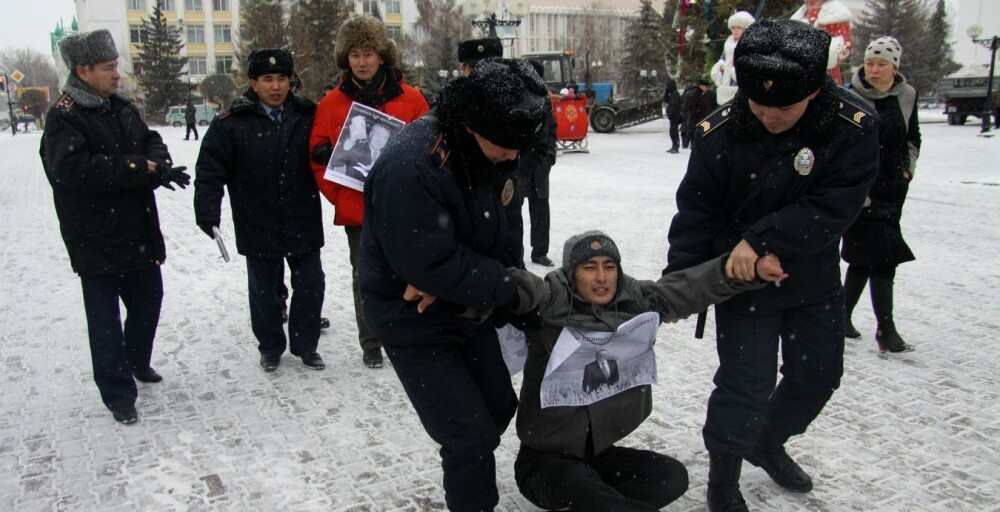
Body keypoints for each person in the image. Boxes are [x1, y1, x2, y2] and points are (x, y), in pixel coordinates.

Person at [664, 20, 879, 511]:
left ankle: (768, 440)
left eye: (783, 106)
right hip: (741, 284)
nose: (768, 115)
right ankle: (724, 477)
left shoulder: (852, 127)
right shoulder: (718, 132)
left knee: (817, 376)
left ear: (814, 91)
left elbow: (837, 204)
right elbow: (696, 210)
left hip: (812, 275)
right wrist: (679, 285)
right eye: (758, 104)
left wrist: (761, 240)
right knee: (745, 384)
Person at [359, 58, 548, 512]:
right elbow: (434, 263)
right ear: (471, 124)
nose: (512, 157)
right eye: (504, 147)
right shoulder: (411, 167)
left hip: (467, 306)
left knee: (500, 407)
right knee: (469, 438)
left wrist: (485, 284)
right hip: (411, 318)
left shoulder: (488, 144)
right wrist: (494, 284)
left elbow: (498, 230)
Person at [506, 230, 786, 511]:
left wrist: (751, 271)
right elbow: (513, 288)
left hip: (597, 457)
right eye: (589, 268)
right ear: (571, 273)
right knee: (585, 489)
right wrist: (497, 284)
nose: (602, 277)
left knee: (671, 477)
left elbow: (691, 287)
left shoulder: (637, 303)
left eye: (609, 266)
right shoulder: (547, 306)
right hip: (544, 463)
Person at [40, 29, 190, 424]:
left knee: (148, 303)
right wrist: (138, 167)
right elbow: (71, 170)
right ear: (83, 70)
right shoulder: (64, 117)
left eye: (116, 67)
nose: (117, 75)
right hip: (95, 238)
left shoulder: (121, 107)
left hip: (137, 232)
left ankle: (137, 361)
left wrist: (160, 163)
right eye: (109, 68)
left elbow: (150, 140)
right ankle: (118, 394)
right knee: (104, 323)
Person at [194, 48, 326, 373]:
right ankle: (270, 347)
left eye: (282, 78)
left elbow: (332, 151)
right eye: (267, 79)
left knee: (311, 284)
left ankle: (306, 345)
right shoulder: (231, 123)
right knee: (264, 292)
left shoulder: (309, 115)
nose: (276, 86)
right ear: (253, 83)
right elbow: (210, 170)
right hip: (257, 220)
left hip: (302, 216)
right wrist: (208, 212)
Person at [309, 15, 429, 369]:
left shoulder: (412, 99)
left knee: (412, 271)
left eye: (368, 53)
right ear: (345, 59)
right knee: (366, 278)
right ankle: (372, 340)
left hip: (405, 208)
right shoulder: (331, 103)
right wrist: (342, 194)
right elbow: (318, 158)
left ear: (382, 56)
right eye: (354, 54)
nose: (361, 62)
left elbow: (432, 149)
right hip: (360, 214)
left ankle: (408, 332)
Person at [842, 36, 920, 353]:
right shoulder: (850, 96)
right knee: (884, 258)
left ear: (894, 66)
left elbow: (912, 137)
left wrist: (908, 168)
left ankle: (840, 317)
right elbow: (842, 147)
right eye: (870, 62)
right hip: (862, 193)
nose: (873, 69)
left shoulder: (907, 95)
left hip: (893, 190)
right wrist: (853, 185)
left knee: (864, 258)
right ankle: (886, 331)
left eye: (881, 64)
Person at [522, 60, 557, 267]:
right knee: (512, 212)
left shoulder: (545, 100)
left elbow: (552, 129)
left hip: (540, 164)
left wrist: (549, 157)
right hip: (518, 164)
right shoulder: (515, 96)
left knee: (541, 210)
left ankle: (540, 252)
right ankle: (513, 253)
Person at [791, 0, 853, 85]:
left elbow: (842, 47)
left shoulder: (836, 15)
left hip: (826, 74)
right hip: (798, 75)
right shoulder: (798, 16)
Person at [711, 11, 755, 105]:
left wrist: (734, 70)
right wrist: (720, 67)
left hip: (741, 87)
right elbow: (722, 59)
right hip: (725, 86)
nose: (735, 30)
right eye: (733, 27)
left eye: (739, 27)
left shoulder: (750, 45)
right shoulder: (728, 44)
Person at [681, 79, 716, 149]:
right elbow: (690, 106)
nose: (707, 88)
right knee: (694, 131)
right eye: (706, 87)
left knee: (695, 131)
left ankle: (690, 144)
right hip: (697, 116)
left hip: (702, 116)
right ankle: (691, 144)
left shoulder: (706, 93)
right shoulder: (695, 93)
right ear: (701, 86)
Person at [663, 75, 682, 153]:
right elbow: (665, 100)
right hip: (673, 116)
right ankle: (674, 145)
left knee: (674, 132)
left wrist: (671, 113)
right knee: (672, 132)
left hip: (675, 116)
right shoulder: (671, 94)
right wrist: (666, 92)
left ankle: (676, 146)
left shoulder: (675, 94)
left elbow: (675, 106)